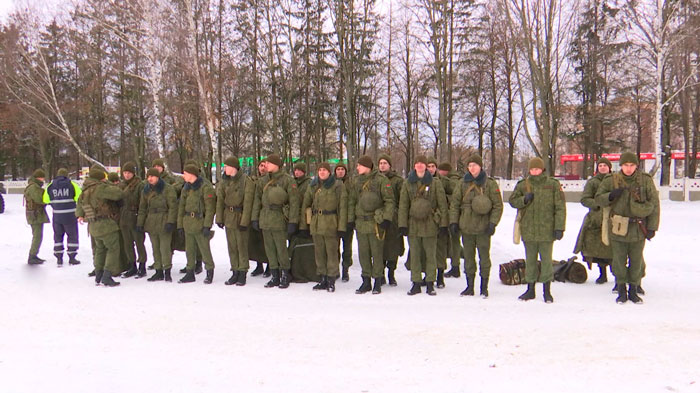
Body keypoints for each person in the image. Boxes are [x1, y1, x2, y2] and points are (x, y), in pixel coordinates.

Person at [595, 152, 659, 304]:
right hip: (618, 227)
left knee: (636, 260)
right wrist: (610, 196)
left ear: (636, 166)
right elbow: (598, 198)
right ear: (621, 166)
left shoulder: (645, 180)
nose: (628, 169)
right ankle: (621, 289)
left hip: (638, 227)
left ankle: (634, 289)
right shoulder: (612, 180)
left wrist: (652, 227)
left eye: (631, 165)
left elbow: (654, 204)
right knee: (619, 260)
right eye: (625, 165)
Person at [508, 157, 566, 303]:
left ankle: (547, 291)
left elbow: (560, 207)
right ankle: (530, 289)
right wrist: (524, 200)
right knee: (530, 261)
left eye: (537, 169)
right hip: (529, 229)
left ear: (542, 169)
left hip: (547, 229)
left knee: (546, 261)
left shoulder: (552, 184)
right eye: (532, 169)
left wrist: (559, 227)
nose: (534, 171)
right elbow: (513, 201)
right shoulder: (523, 185)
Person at [449, 154, 503, 298]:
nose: (472, 168)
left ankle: (484, 287)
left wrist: (493, 223)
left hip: (483, 227)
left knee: (484, 258)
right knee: (468, 258)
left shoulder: (490, 184)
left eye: (475, 165)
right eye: (470, 165)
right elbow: (454, 204)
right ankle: (469, 286)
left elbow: (498, 205)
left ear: (480, 166)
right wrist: (453, 222)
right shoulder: (462, 183)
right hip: (466, 227)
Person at [399, 155, 448, 296]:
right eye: (417, 163)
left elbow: (442, 204)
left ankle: (430, 283)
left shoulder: (435, 183)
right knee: (414, 255)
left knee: (430, 255)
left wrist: (443, 224)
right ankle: (416, 282)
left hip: (430, 224)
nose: (420, 165)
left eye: (422, 163)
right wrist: (402, 224)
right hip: (413, 224)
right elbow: (403, 205)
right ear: (414, 166)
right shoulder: (408, 183)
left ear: (426, 166)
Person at [347, 155, 395, 294]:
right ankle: (366, 280)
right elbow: (352, 201)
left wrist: (386, 218)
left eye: (359, 165)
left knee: (377, 253)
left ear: (367, 166)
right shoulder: (356, 181)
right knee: (363, 253)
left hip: (375, 223)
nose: (357, 167)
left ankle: (378, 280)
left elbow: (389, 200)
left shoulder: (381, 180)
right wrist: (350, 220)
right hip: (361, 223)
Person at [251, 154, 300, 288]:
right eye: (265, 163)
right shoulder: (262, 181)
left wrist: (293, 221)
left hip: (279, 218)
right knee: (269, 249)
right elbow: (257, 201)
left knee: (281, 248)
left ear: (277, 165)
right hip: (265, 218)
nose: (266, 165)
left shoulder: (288, 181)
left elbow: (294, 202)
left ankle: (285, 274)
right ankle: (274, 275)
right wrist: (254, 218)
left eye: (269, 163)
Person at [301, 162, 348, 292]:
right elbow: (306, 204)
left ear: (329, 172)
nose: (322, 172)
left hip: (331, 222)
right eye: (320, 170)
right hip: (316, 222)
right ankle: (322, 278)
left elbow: (343, 207)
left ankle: (331, 279)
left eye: (324, 170)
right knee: (319, 252)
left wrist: (342, 227)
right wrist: (304, 225)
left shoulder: (337, 185)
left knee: (331, 252)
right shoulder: (313, 185)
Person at [76, 166, 125, 286]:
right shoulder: (100, 188)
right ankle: (107, 275)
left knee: (100, 250)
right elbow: (119, 194)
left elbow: (79, 205)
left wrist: (80, 216)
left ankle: (98, 274)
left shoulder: (85, 190)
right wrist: (107, 183)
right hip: (106, 225)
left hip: (93, 226)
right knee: (113, 249)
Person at [216, 156, 255, 286]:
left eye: (226, 166)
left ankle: (242, 271)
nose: (225, 169)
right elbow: (220, 200)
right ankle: (235, 271)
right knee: (231, 246)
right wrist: (220, 218)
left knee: (241, 245)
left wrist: (245, 221)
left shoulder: (245, 181)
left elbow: (248, 203)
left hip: (240, 216)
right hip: (229, 216)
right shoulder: (224, 181)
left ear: (233, 167)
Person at [573, 157, 614, 284]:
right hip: (595, 218)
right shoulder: (592, 182)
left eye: (605, 166)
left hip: (612, 217)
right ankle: (602, 274)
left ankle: (617, 273)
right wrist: (597, 204)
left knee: (614, 247)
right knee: (597, 246)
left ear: (609, 167)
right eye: (600, 165)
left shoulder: (615, 180)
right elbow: (585, 199)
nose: (602, 167)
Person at [177, 164, 217, 284]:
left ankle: (209, 271)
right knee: (189, 249)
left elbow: (210, 208)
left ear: (192, 174)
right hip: (188, 222)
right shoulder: (186, 188)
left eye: (185, 173)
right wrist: (180, 225)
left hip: (200, 222)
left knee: (204, 249)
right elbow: (181, 207)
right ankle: (190, 272)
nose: (183, 176)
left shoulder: (205, 187)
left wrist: (207, 225)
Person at [137, 168, 178, 282]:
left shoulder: (167, 189)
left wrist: (170, 222)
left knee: (165, 248)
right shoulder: (146, 190)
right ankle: (158, 270)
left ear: (158, 177)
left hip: (164, 220)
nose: (150, 179)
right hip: (151, 221)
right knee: (155, 248)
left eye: (152, 176)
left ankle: (167, 271)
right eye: (148, 176)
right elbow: (142, 208)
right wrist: (140, 223)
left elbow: (173, 207)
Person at [43, 168, 82, 266]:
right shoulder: (72, 185)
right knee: (72, 235)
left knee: (58, 236)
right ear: (66, 175)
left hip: (57, 216)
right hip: (70, 215)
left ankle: (59, 258)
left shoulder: (50, 186)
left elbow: (45, 200)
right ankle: (72, 258)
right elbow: (80, 197)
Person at [377, 153, 404, 286]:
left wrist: (397, 214)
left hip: (394, 218)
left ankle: (391, 274)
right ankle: (380, 274)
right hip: (379, 217)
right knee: (380, 246)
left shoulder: (398, 181)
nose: (382, 165)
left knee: (393, 248)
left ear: (389, 165)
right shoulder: (375, 179)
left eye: (385, 163)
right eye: (380, 163)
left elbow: (402, 199)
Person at [119, 162, 148, 278]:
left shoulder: (139, 185)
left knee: (139, 243)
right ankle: (132, 266)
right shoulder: (121, 186)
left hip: (135, 216)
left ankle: (142, 266)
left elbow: (143, 203)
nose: (126, 175)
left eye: (129, 173)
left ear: (133, 173)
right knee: (127, 244)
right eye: (125, 173)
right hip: (124, 217)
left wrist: (141, 220)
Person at [290, 162, 318, 283]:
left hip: (304, 216)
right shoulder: (292, 183)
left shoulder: (308, 183)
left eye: (299, 171)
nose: (297, 172)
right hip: (293, 215)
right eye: (295, 170)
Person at [438, 162, 463, 278]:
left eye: (440, 170)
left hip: (455, 216)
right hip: (451, 214)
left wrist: (444, 198)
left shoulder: (453, 181)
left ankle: (455, 267)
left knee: (454, 241)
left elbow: (457, 197)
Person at [249, 159, 270, 277]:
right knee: (255, 241)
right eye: (261, 166)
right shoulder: (253, 180)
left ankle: (269, 265)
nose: (263, 168)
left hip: (266, 214)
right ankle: (259, 265)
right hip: (254, 214)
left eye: (265, 166)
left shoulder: (270, 180)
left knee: (266, 242)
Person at [25, 168, 49, 265]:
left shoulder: (33, 186)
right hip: (35, 215)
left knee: (37, 235)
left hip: (34, 214)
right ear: (39, 177)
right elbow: (40, 200)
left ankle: (34, 255)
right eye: (42, 178)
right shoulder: (34, 187)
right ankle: (32, 256)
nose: (43, 180)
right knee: (37, 236)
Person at [334, 163, 354, 281]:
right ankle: (335, 269)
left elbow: (352, 202)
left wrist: (351, 220)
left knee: (347, 247)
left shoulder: (351, 183)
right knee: (334, 246)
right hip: (334, 220)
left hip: (347, 220)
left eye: (342, 169)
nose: (340, 171)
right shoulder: (331, 183)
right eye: (338, 169)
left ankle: (345, 269)